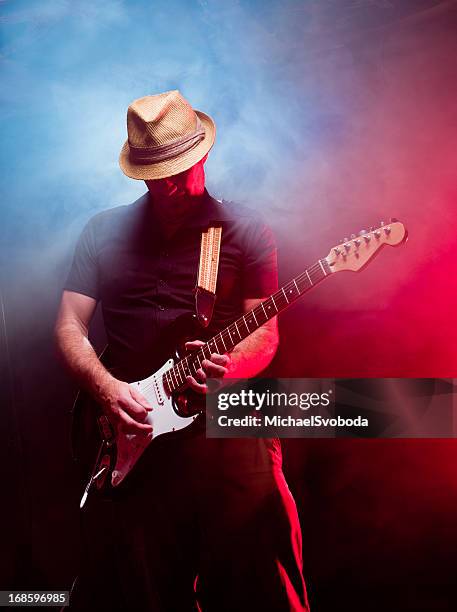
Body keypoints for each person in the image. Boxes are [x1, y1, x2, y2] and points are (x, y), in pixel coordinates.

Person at [55, 90, 309, 611]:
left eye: (178, 170)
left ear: (202, 154)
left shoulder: (243, 229)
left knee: (264, 585)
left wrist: (230, 367)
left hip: (229, 424)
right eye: (155, 174)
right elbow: (68, 327)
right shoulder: (102, 233)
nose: (167, 185)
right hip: (136, 428)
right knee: (144, 591)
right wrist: (108, 391)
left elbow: (266, 330)